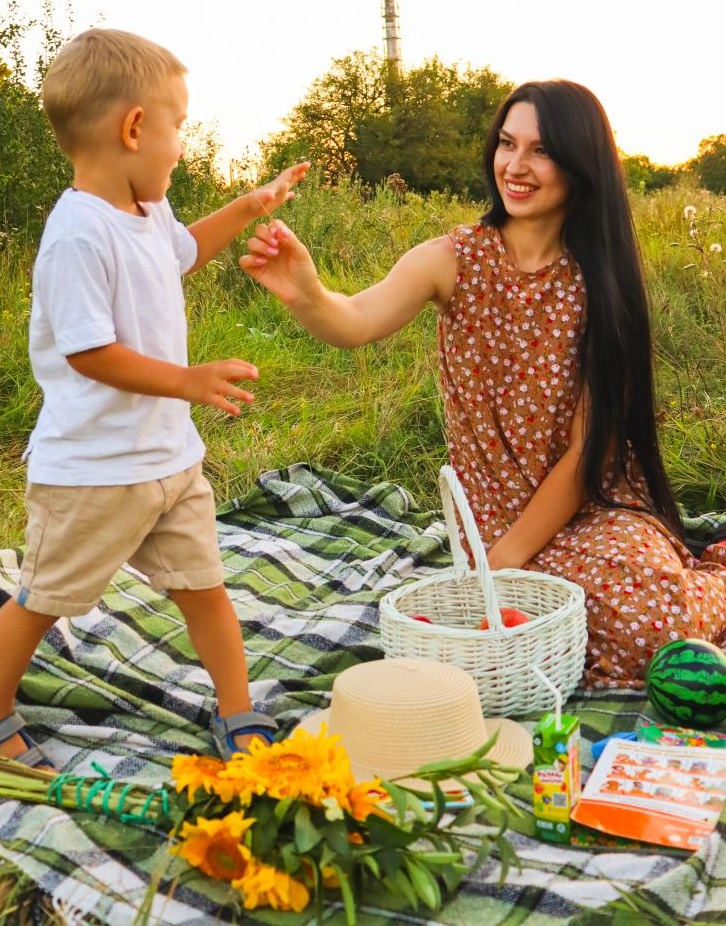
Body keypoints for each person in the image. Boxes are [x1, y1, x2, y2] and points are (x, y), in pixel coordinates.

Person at [241, 79, 726, 688]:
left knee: (651, 616)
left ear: (582, 164)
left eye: (541, 151)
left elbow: (587, 452)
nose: (515, 167)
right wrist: (308, 293)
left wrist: (506, 562)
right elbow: (355, 321)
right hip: (491, 517)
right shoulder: (453, 258)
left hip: (589, 507)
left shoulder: (601, 283)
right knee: (590, 628)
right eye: (506, 144)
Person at [0, 28, 308, 762]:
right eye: (179, 125)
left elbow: (184, 253)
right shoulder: (78, 234)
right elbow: (89, 352)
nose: (182, 143)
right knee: (44, 598)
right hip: (93, 472)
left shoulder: (146, 217)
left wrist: (249, 206)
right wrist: (188, 379)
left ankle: (237, 711)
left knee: (205, 587)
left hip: (169, 461)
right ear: (134, 128)